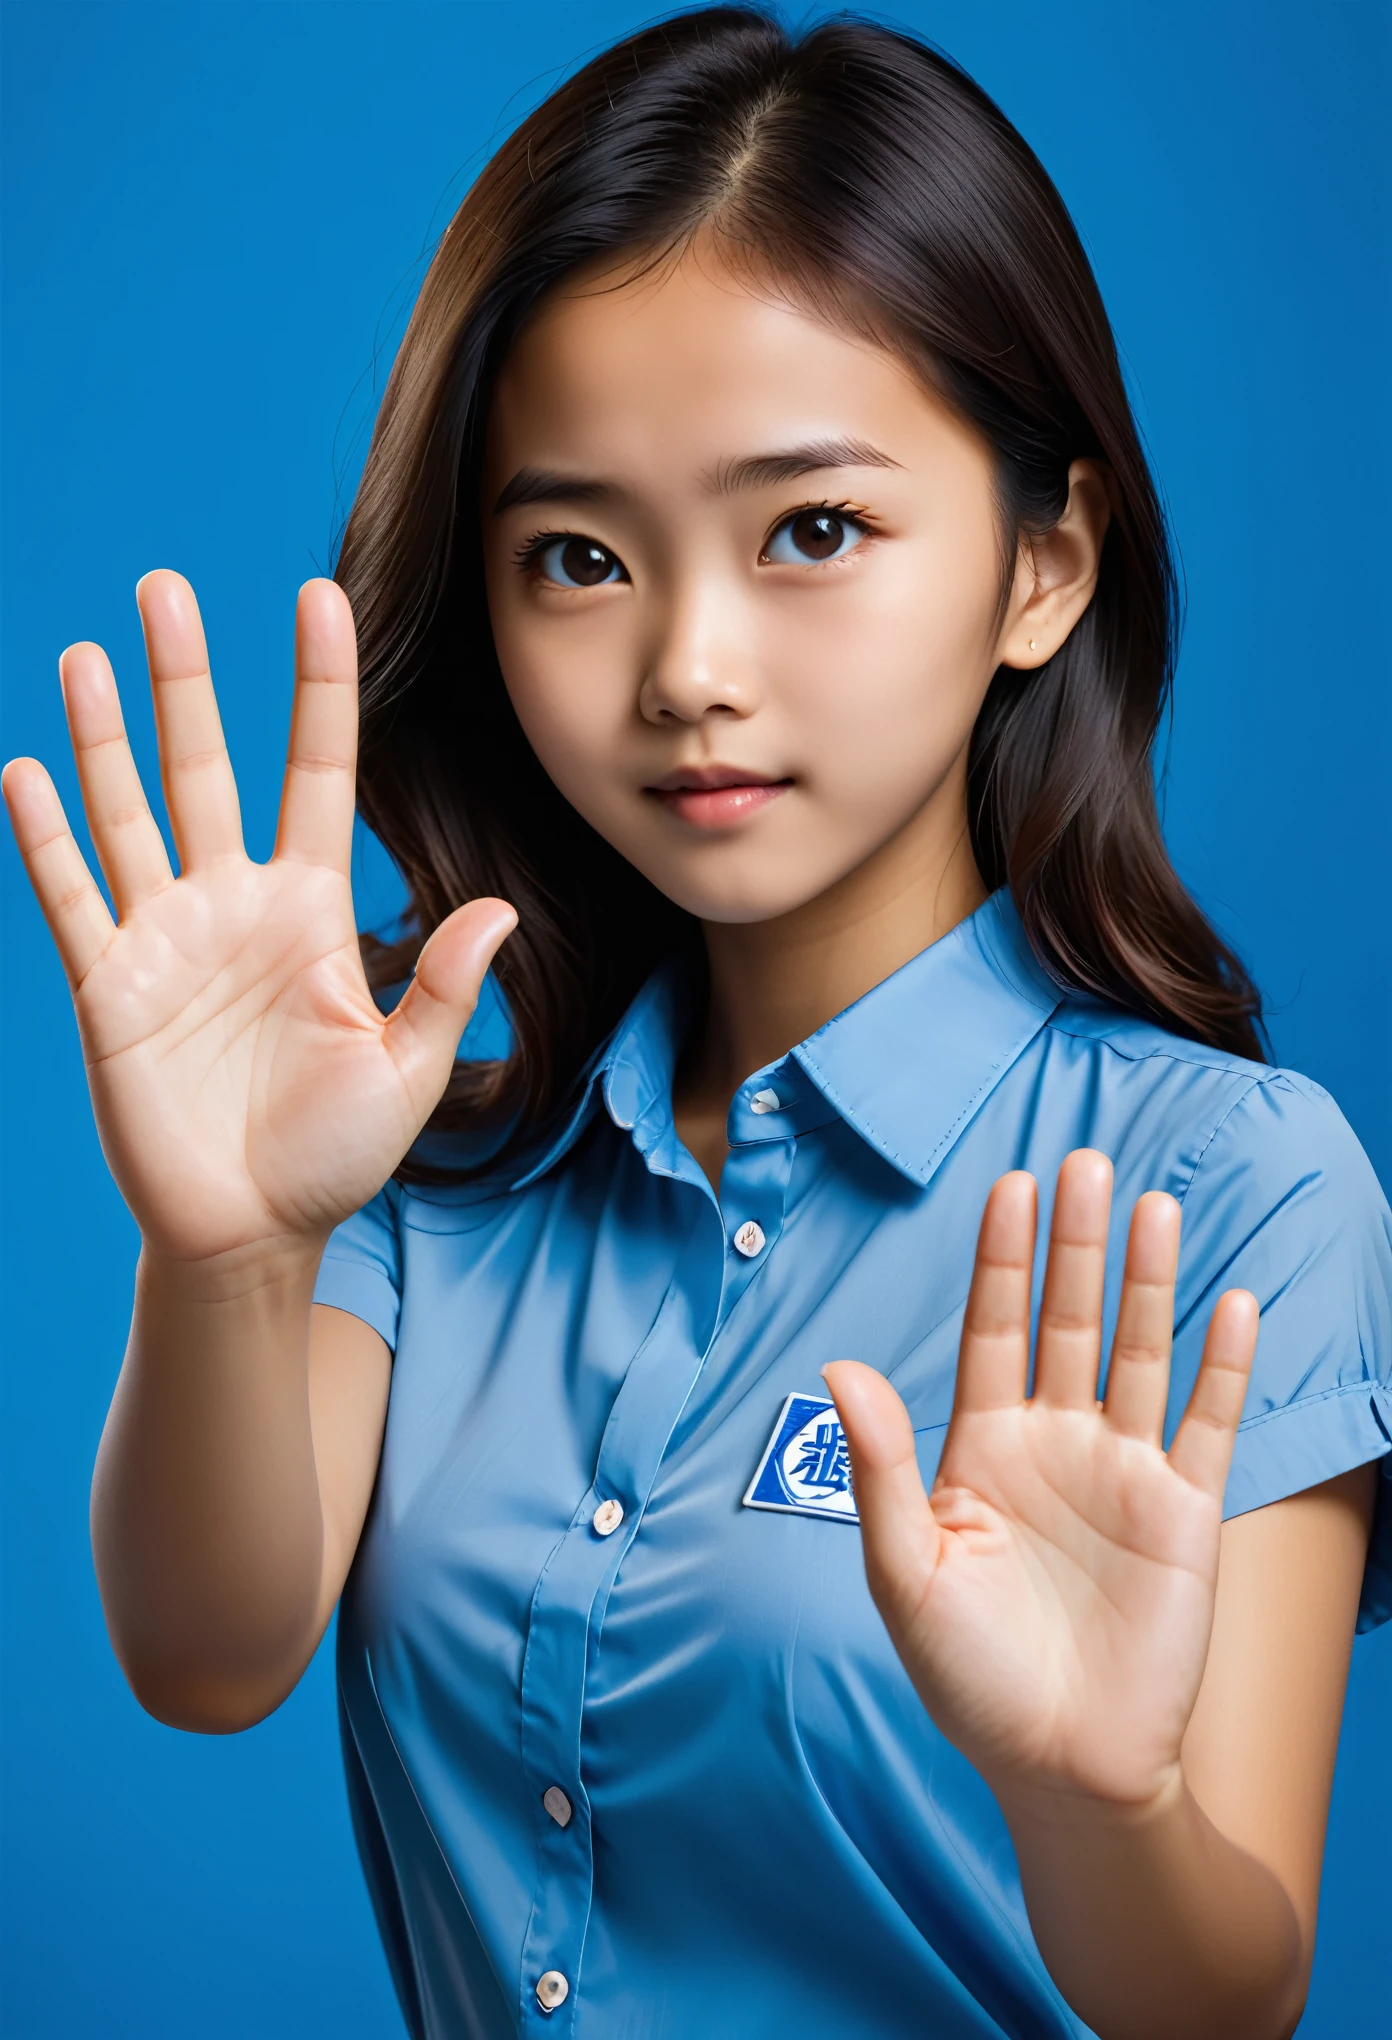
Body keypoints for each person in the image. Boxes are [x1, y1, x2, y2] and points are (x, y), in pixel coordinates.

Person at [5, 10, 1390, 2038]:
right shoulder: (424, 1123)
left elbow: (1221, 1997)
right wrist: (224, 1247)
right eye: (577, 557)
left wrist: (1103, 1799)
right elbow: (206, 1660)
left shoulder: (1231, 1197)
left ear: (1044, 563)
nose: (686, 668)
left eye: (810, 530)